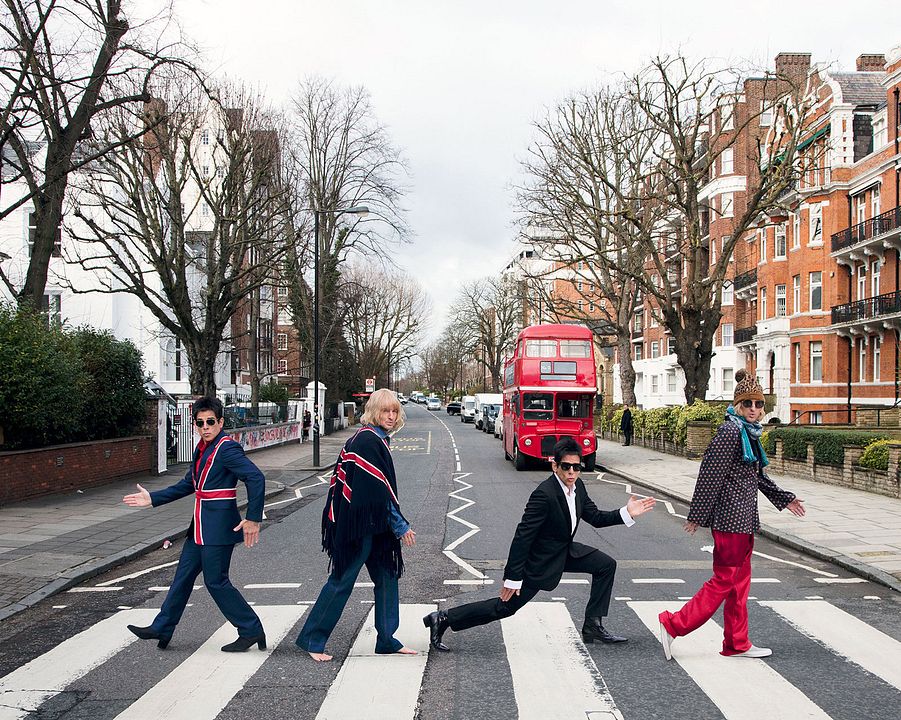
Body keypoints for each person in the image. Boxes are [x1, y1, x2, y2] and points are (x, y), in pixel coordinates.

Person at [424, 437, 656, 651]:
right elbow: (523, 535)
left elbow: (595, 517)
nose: (572, 472)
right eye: (566, 466)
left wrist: (627, 513)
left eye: (577, 467)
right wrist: (513, 577)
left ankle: (592, 625)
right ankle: (444, 618)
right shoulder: (544, 494)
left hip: (564, 551)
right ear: (555, 466)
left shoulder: (578, 488)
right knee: (504, 608)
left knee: (606, 565)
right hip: (539, 561)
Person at [658, 370, 805, 661]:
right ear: (738, 405)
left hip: (744, 521)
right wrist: (697, 514)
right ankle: (673, 624)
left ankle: (736, 643)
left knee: (739, 584)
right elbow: (710, 475)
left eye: (758, 404)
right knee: (724, 580)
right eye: (747, 403)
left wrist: (785, 498)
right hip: (730, 522)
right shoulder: (730, 432)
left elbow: (756, 477)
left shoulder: (747, 433)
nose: (753, 409)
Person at [122, 396, 266, 652]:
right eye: (200, 423)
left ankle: (251, 629)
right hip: (199, 527)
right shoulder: (203, 449)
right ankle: (163, 627)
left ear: (221, 422)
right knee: (183, 576)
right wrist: (152, 498)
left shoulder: (227, 449)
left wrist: (253, 518)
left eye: (211, 421)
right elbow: (187, 485)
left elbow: (255, 478)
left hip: (219, 528)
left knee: (216, 581)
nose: (205, 427)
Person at [296, 388, 417, 662]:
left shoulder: (377, 439)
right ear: (374, 412)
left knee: (387, 578)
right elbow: (379, 494)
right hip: (358, 525)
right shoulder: (367, 441)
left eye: (394, 411)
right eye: (385, 410)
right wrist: (401, 526)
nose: (390, 415)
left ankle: (387, 639)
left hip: (373, 524)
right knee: (342, 580)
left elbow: (377, 491)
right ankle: (313, 639)